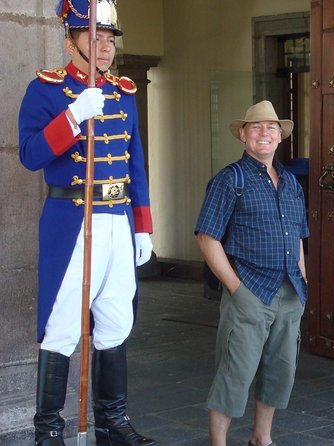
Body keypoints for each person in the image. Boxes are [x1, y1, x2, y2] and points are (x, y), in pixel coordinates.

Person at [18, 1, 155, 445]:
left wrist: (143, 225)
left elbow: (135, 164)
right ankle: (49, 430)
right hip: (74, 221)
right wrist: (73, 117)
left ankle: (112, 423)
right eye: (95, 39)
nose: (105, 48)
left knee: (115, 321)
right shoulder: (46, 90)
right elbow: (30, 155)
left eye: (110, 40)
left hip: (117, 220)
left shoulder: (123, 93)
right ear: (70, 42)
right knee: (61, 327)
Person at [194, 100, 308, 446]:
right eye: (256, 127)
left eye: (271, 128)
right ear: (243, 134)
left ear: (280, 136)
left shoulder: (291, 183)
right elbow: (207, 237)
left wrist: (303, 281)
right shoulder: (230, 179)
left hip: (289, 292)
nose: (264, 133)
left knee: (279, 375)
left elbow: (298, 237)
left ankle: (262, 439)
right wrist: (235, 288)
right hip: (249, 291)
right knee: (234, 375)